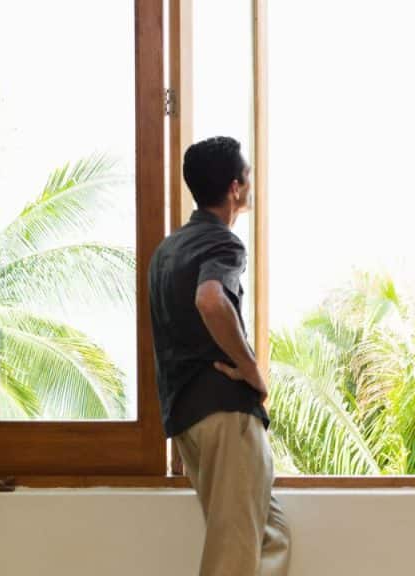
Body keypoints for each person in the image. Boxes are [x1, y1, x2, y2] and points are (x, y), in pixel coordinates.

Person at [149, 136, 291, 576]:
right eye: (247, 174)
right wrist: (252, 372)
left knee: (271, 535)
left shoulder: (166, 251)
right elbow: (210, 301)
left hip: (187, 418)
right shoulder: (223, 244)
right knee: (233, 557)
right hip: (225, 414)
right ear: (235, 187)